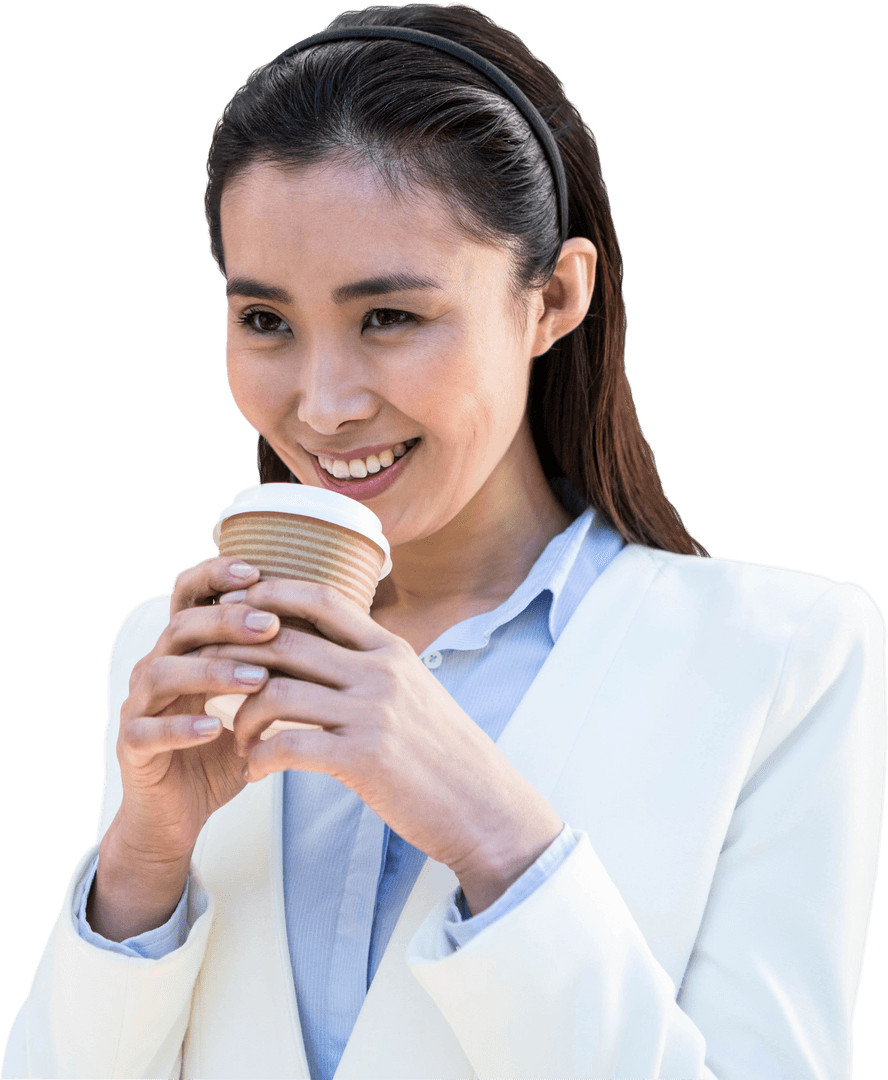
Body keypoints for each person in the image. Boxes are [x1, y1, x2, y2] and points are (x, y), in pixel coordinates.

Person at [3, 4, 885, 1078]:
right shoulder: (181, 650)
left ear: (554, 298)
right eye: (266, 321)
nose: (322, 408)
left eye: (391, 318)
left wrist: (490, 834)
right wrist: (140, 862)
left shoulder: (786, 656)